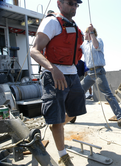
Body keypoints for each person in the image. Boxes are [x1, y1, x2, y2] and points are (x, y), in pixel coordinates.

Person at [30, 0, 86, 165]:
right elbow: (34, 50)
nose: (74, 6)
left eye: (76, 4)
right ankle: (63, 156)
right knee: (56, 119)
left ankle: (57, 125)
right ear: (59, 4)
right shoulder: (52, 22)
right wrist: (53, 69)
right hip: (53, 75)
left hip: (72, 74)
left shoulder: (74, 25)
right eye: (70, 3)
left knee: (75, 111)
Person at [80, 24, 121, 128]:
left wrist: (92, 33)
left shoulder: (98, 40)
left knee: (108, 95)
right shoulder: (83, 44)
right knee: (78, 91)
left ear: (90, 33)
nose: (84, 34)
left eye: (86, 32)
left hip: (99, 72)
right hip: (90, 73)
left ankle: (120, 118)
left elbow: (96, 46)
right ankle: (72, 114)